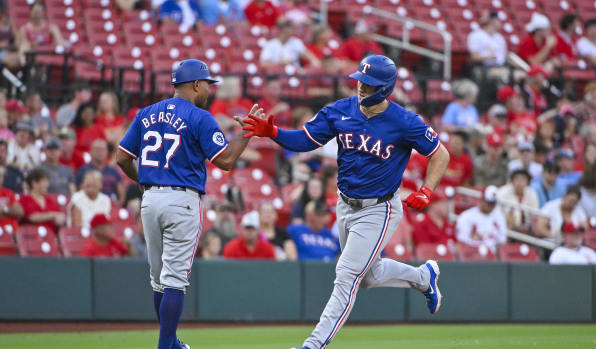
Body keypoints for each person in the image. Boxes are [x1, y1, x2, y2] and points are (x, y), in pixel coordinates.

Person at [243, 55, 450, 349]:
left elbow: (440, 154)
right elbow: (306, 140)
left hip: (380, 207)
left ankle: (313, 345)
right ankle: (423, 277)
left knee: (346, 274)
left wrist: (427, 190)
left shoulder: (404, 121)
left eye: (369, 83)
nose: (361, 87)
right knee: (368, 276)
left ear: (385, 88)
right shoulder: (340, 110)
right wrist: (274, 133)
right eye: (360, 81)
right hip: (345, 205)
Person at [115, 59, 254, 349]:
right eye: (207, 84)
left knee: (158, 280)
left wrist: (144, 181)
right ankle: (166, 346)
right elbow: (225, 161)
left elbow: (122, 158)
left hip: (151, 199)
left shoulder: (146, 113)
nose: (209, 90)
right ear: (194, 84)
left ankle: (171, 343)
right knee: (175, 279)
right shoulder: (200, 117)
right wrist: (248, 134)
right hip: (182, 200)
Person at [456, 185, 507, 253]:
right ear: (482, 200)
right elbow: (462, 242)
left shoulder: (499, 216)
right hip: (472, 254)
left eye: (493, 203)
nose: (491, 206)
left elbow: (502, 241)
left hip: (493, 256)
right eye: (488, 202)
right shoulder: (466, 216)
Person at [19, 168, 65, 233]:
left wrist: (60, 218)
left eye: (47, 181)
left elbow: (60, 217)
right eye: (44, 181)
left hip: (51, 236)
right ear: (34, 183)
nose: (47, 184)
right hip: (31, 237)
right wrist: (53, 215)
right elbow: (32, 217)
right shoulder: (24, 199)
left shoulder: (50, 200)